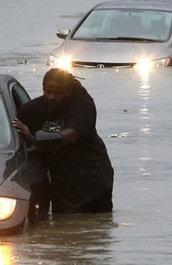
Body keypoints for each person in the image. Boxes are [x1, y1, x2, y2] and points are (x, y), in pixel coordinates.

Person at [12, 68, 114, 215]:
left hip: (93, 178)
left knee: (97, 226)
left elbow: (72, 135)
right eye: (47, 91)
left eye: (57, 93)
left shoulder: (83, 104)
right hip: (62, 182)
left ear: (68, 91)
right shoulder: (32, 110)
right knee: (64, 223)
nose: (51, 97)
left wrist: (35, 139)